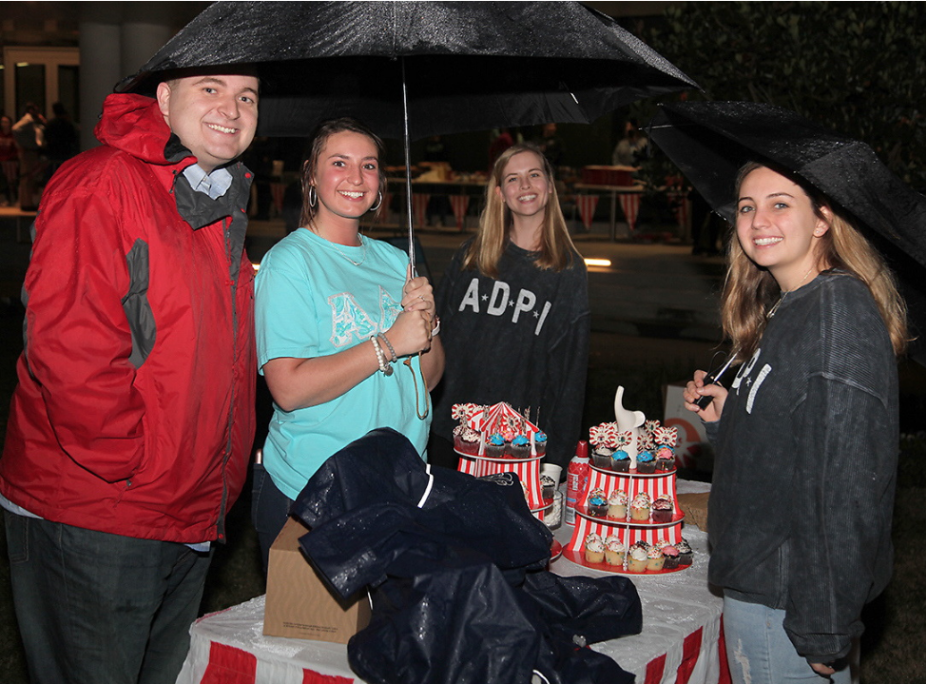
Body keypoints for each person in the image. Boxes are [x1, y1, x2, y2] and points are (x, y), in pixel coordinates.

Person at [0, 68, 261, 684]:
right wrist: (129, 461)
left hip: (185, 505)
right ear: (164, 99)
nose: (232, 107)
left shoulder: (215, 197)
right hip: (102, 508)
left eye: (247, 96)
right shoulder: (102, 184)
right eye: (212, 89)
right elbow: (70, 345)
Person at [682, 163, 908, 683]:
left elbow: (846, 485)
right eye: (746, 207)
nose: (758, 219)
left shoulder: (837, 315)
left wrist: (824, 626)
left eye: (780, 203)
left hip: (785, 606)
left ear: (823, 219)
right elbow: (789, 447)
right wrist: (729, 416)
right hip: (765, 590)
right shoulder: (794, 307)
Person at [253, 118, 444, 572]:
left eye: (369, 165)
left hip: (398, 485)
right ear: (312, 177)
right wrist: (388, 343)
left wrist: (428, 326)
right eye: (339, 163)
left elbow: (430, 379)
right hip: (315, 491)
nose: (356, 178)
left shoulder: (396, 260)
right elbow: (288, 388)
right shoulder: (289, 263)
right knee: (315, 642)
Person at [430, 143, 589, 471]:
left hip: (515, 444)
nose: (526, 185)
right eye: (513, 179)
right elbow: (434, 336)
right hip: (448, 431)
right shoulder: (472, 256)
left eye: (534, 175)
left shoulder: (568, 271)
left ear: (549, 185)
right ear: (500, 193)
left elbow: (570, 373)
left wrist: (556, 460)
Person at [11, 102, 45, 211]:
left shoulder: (33, 122)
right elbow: (16, 129)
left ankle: (27, 201)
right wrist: (22, 143)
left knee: (29, 177)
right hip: (28, 151)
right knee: (27, 177)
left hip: (31, 151)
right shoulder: (28, 119)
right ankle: (26, 203)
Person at [42, 101, 79, 178]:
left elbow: (46, 137)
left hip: (53, 153)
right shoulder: (67, 124)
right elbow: (73, 137)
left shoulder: (51, 124)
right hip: (66, 152)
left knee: (53, 174)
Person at [0, 115, 18, 206]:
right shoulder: (0, 134)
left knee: (12, 181)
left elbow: (16, 149)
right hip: (1, 162)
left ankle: (15, 199)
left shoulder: (13, 135)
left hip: (10, 162)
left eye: (6, 122)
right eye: (2, 122)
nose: (4, 124)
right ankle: (6, 199)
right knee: (3, 181)